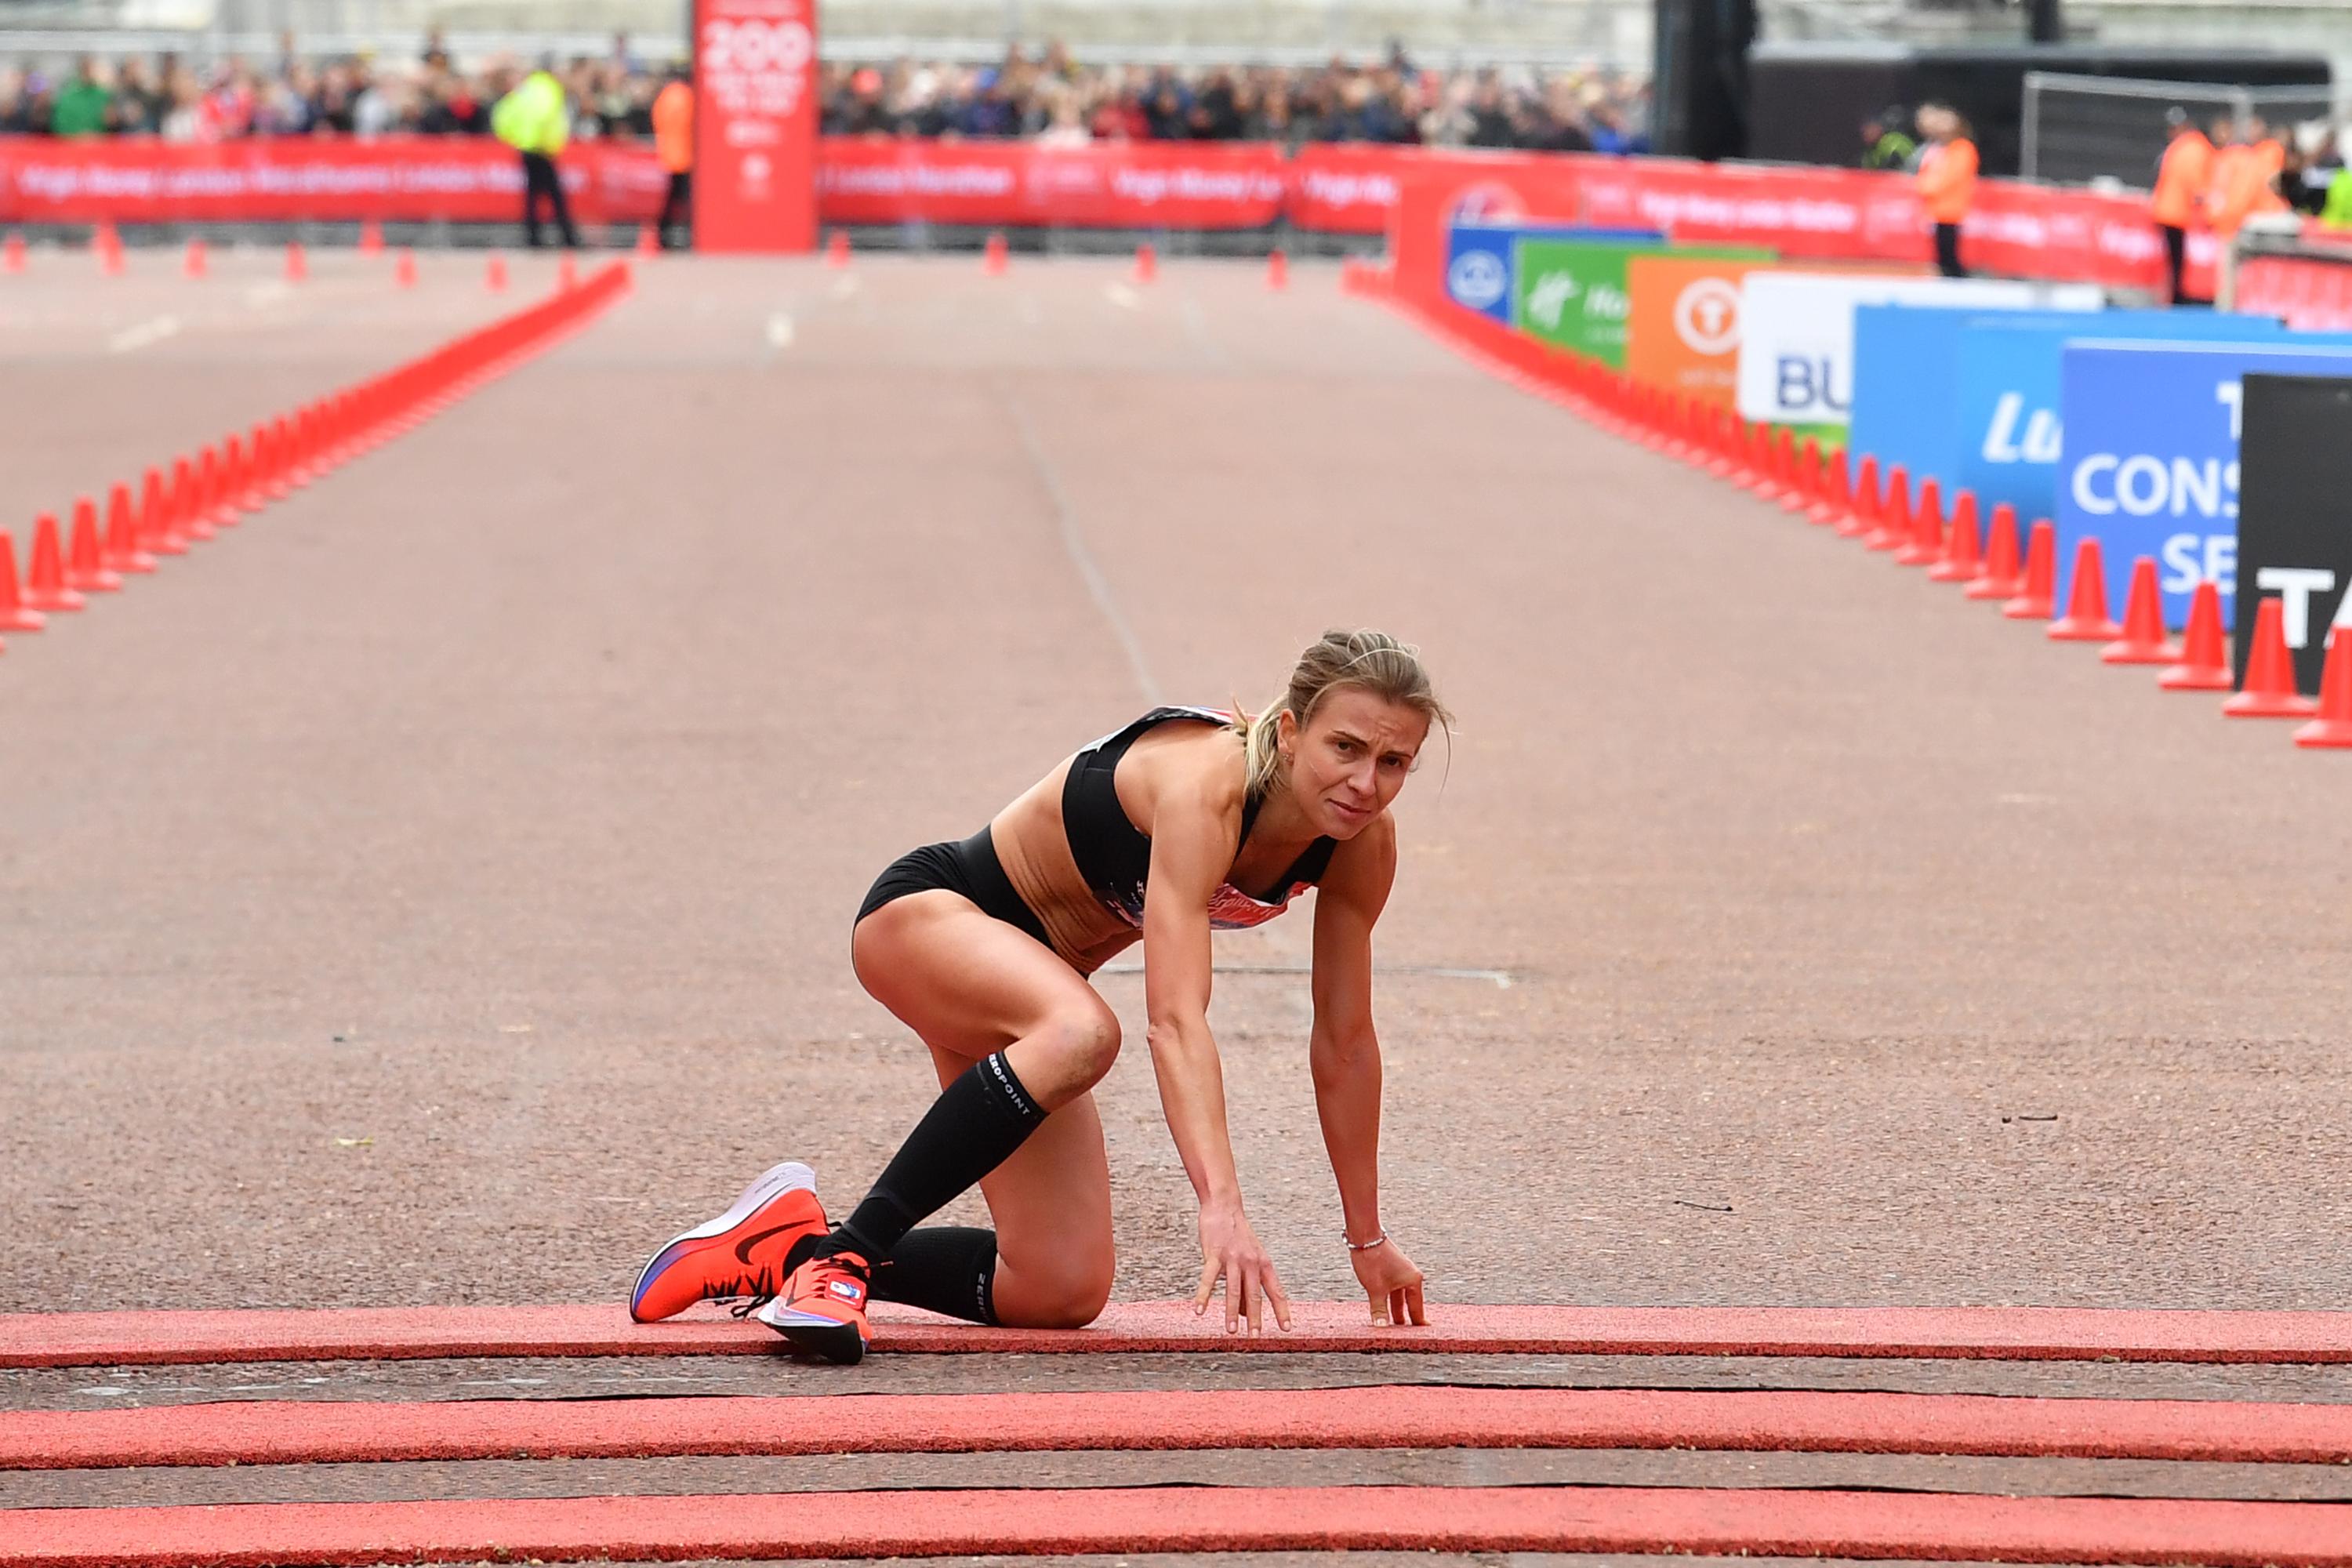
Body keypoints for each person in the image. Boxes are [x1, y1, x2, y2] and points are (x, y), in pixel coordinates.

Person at [629, 630, 1450, 1364]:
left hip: (1034, 1015)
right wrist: (1222, 1206)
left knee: (1060, 1287)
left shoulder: (1360, 846)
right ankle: (837, 1265)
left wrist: (1366, 1236)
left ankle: (785, 1245)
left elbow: (1344, 1043)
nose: (1365, 781)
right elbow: (1174, 1017)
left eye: (1394, 762)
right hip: (930, 919)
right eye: (1345, 746)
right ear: (1290, 731)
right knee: (1089, 1029)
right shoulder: (1207, 789)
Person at [492, 58, 578, 249]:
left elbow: (503, 116)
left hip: (527, 147)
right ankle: (568, 238)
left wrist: (515, 138)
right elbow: (548, 116)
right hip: (543, 148)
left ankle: (534, 238)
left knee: (533, 196)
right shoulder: (548, 88)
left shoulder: (525, 90)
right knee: (556, 196)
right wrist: (547, 140)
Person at [2151, 107, 2214, 305]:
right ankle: (2179, 296)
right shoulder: (2189, 147)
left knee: (2177, 261)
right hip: (2177, 212)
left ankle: (2178, 296)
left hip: (2174, 211)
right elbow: (2194, 182)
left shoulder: (2187, 147)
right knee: (2177, 261)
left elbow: (2192, 182)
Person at [1915, 105, 1978, 278]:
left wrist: (1929, 187)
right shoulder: (1941, 149)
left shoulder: (1963, 148)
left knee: (1949, 251)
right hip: (1937, 209)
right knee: (1941, 251)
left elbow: (1952, 177)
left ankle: (1956, 279)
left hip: (1951, 209)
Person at [651, 65, 692, 249]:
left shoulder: (665, 96)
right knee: (687, 198)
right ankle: (685, 233)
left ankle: (662, 233)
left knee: (673, 197)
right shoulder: (686, 96)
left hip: (670, 152)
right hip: (685, 153)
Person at [1859, 107, 1915, 172]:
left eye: (1870, 129)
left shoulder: (1894, 140)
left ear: (1879, 127)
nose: (1867, 134)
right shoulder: (1869, 153)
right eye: (1864, 132)